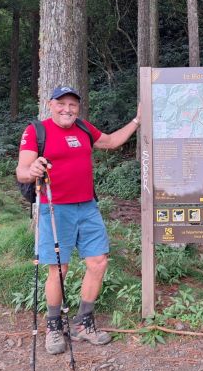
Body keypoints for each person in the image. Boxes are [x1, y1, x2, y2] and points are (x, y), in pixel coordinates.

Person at [16, 86, 141, 354]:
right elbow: (22, 171)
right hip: (54, 208)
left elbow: (110, 142)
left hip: (87, 207)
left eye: (73, 104)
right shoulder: (37, 131)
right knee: (59, 269)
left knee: (98, 262)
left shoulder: (84, 128)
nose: (67, 109)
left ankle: (84, 323)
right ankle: (53, 326)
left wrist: (137, 121)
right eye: (62, 104)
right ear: (51, 105)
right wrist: (33, 169)